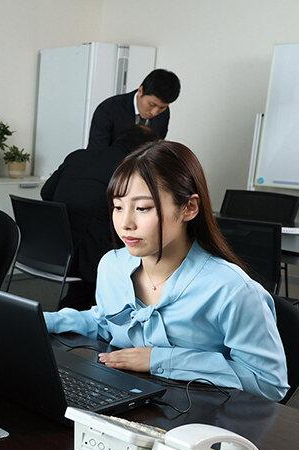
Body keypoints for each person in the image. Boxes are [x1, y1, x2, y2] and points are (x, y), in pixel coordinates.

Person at [44, 140, 289, 401]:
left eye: (142, 208)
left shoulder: (233, 290)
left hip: (201, 417)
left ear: (189, 208)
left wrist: (161, 359)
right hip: (130, 401)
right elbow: (105, 323)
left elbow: (269, 383)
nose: (126, 223)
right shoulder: (112, 265)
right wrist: (46, 321)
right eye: (118, 207)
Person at [40, 125, 158, 309]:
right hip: (90, 256)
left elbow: (46, 192)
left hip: (49, 247)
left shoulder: (77, 156)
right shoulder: (128, 170)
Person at [86, 69, 180, 149]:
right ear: (140, 91)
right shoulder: (108, 109)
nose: (154, 112)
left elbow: (156, 150)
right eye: (151, 104)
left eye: (162, 107)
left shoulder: (164, 113)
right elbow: (96, 153)